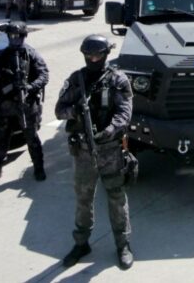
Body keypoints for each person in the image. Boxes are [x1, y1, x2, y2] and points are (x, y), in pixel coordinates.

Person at [56, 34, 135, 270]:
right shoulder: (76, 79)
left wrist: (110, 131)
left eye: (97, 54)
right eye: (89, 55)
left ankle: (123, 245)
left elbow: (125, 113)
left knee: (116, 198)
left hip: (110, 151)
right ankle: (81, 244)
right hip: (82, 152)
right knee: (83, 199)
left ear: (105, 55)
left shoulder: (118, 80)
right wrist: (76, 112)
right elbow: (59, 110)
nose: (93, 58)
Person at [0, 23, 49, 185]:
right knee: (1, 139)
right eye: (13, 36)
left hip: (27, 104)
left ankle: (39, 167)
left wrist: (29, 87)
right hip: (6, 105)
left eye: (19, 36)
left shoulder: (31, 54)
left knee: (32, 138)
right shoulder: (0, 56)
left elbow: (44, 75)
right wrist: (5, 77)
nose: (16, 40)